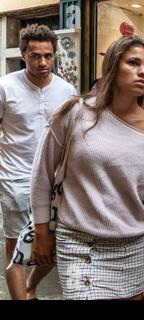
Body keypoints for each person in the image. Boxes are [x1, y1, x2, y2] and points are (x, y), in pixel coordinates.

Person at [30, 35, 144, 300]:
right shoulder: (73, 113)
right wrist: (41, 232)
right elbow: (41, 175)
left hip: (131, 249)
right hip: (77, 245)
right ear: (112, 66)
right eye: (133, 63)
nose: (143, 71)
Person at [0, 24, 76, 300]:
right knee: (16, 246)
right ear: (23, 55)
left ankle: (31, 287)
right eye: (35, 56)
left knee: (54, 245)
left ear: (55, 55)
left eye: (48, 55)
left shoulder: (67, 90)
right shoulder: (5, 87)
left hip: (56, 181)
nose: (42, 62)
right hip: (15, 177)